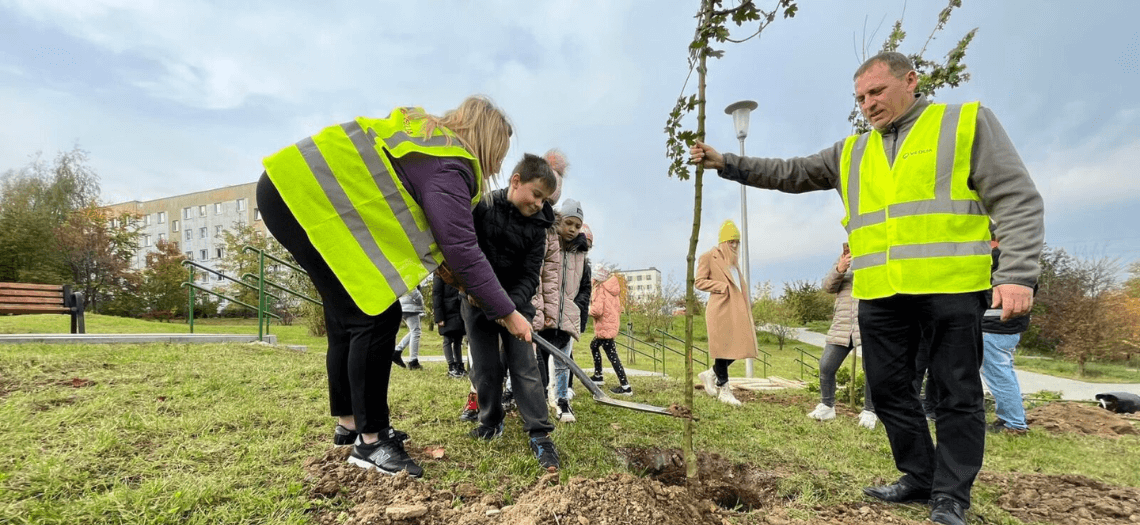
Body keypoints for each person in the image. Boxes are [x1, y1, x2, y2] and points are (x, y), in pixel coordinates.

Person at [689, 52, 1044, 525]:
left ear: (910, 81)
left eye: (876, 92)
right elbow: (790, 173)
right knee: (888, 388)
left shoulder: (964, 123)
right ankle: (919, 476)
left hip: (952, 288)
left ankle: (952, 495)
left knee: (954, 392)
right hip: (878, 293)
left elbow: (1016, 197)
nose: (868, 104)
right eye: (860, 98)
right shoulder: (852, 151)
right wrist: (727, 162)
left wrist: (1017, 273)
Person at [257, 95, 531, 479]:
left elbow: (445, 247)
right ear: (486, 141)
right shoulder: (449, 163)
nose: (498, 165)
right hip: (302, 198)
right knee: (374, 313)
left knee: (346, 317)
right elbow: (462, 250)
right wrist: (509, 312)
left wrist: (463, 281)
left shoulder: (419, 136)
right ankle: (371, 444)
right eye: (499, 154)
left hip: (289, 187)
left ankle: (351, 425)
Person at [461, 153, 561, 472]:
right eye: (536, 194)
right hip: (475, 300)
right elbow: (465, 251)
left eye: (544, 199)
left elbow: (531, 274)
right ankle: (490, 421)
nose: (538, 203)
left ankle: (540, 433)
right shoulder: (483, 207)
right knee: (486, 368)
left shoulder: (539, 228)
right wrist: (477, 294)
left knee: (524, 366)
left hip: (517, 306)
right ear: (516, 181)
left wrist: (508, 306)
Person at [808, 243, 878, 430]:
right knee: (826, 365)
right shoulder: (844, 259)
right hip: (842, 323)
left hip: (867, 321)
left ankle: (870, 411)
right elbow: (827, 286)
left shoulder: (876, 256)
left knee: (871, 368)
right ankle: (827, 406)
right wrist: (840, 269)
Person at [535, 198, 591, 423]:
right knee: (534, 361)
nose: (573, 229)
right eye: (569, 223)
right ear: (559, 220)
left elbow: (585, 287)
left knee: (563, 363)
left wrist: (577, 309)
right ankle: (533, 397)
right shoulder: (546, 242)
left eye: (577, 226)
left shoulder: (581, 254)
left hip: (566, 315)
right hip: (543, 312)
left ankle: (560, 400)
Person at [694, 220, 758, 407]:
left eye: (737, 242)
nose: (735, 245)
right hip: (720, 310)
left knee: (741, 346)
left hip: (736, 310)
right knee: (723, 347)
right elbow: (699, 281)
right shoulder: (708, 257)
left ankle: (711, 374)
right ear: (723, 241)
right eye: (731, 242)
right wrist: (721, 287)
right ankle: (724, 389)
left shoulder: (734, 262)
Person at [982, 236, 1032, 435]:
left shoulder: (996, 259)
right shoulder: (1019, 262)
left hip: (994, 325)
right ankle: (1009, 418)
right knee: (1004, 371)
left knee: (998, 374)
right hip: (1008, 325)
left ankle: (1014, 424)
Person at [589, 267, 633, 395]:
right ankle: (598, 376)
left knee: (612, 356)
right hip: (611, 324)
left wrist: (586, 308)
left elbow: (597, 311)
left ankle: (626, 386)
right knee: (594, 345)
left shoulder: (600, 289)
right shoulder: (612, 289)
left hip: (604, 326)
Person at [432, 273, 467, 378]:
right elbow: (436, 296)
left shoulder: (457, 272)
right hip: (446, 313)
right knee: (447, 340)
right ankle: (451, 365)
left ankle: (459, 365)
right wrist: (439, 317)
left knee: (458, 340)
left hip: (458, 311)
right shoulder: (439, 275)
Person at [393, 286, 425, 369]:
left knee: (414, 331)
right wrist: (421, 305)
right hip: (410, 307)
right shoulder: (410, 278)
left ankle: (397, 351)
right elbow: (416, 294)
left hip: (402, 306)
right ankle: (413, 361)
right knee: (416, 332)